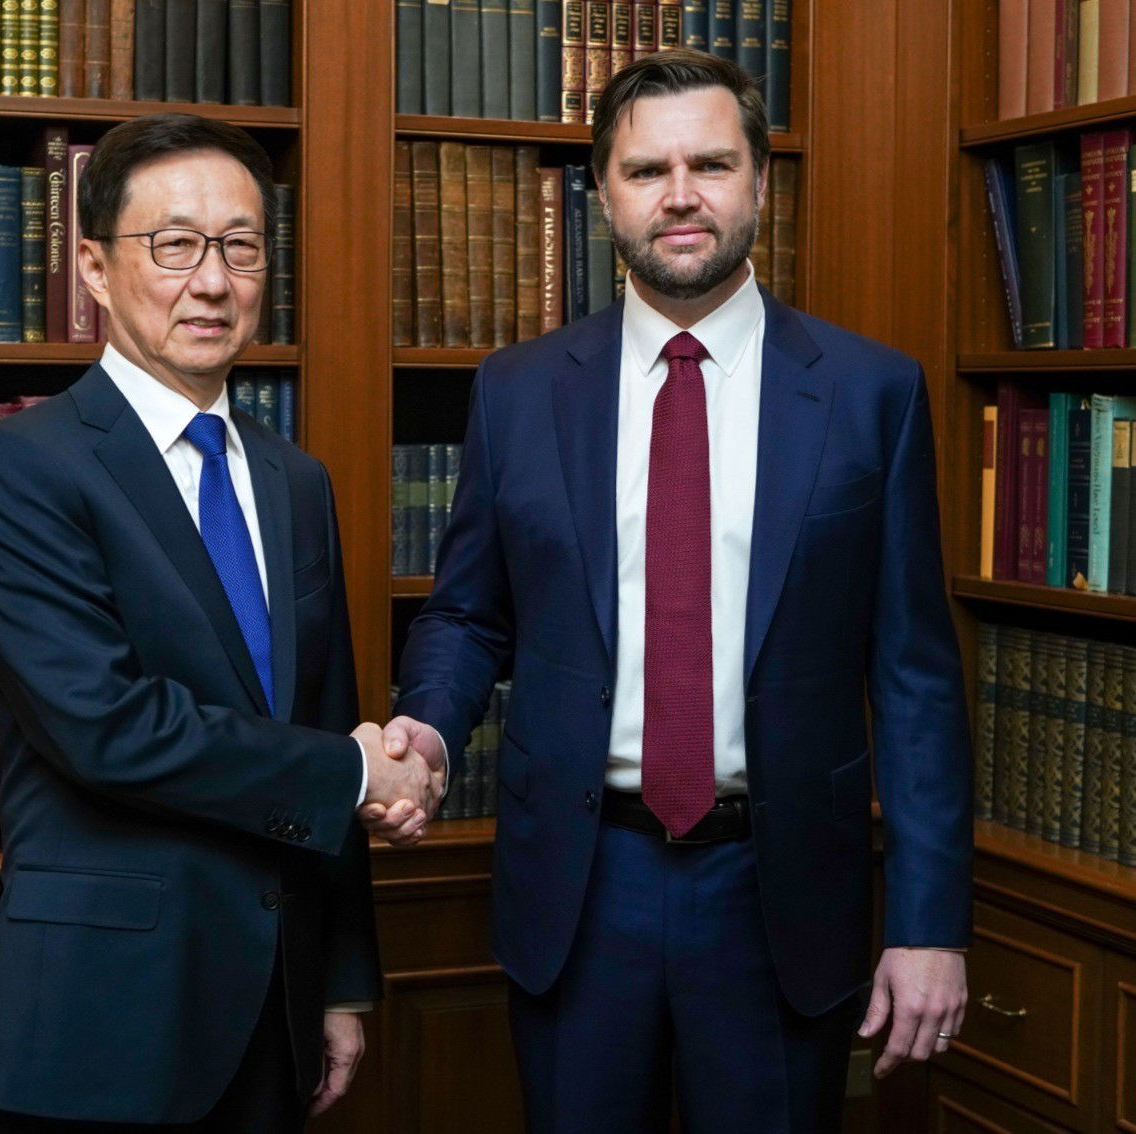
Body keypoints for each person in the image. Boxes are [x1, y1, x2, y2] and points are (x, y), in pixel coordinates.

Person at [365, 49, 972, 1132]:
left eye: (709, 164)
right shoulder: (517, 391)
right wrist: (428, 727)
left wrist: (928, 923)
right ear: (602, 193)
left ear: (757, 183)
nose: (680, 196)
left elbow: (914, 675)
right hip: (580, 885)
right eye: (646, 171)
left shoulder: (869, 394)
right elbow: (466, 611)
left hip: (779, 893)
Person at [0, 113, 442, 1133]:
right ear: (93, 267)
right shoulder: (19, 471)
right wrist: (357, 774)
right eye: (172, 245)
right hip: (106, 1016)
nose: (211, 282)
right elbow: (105, 727)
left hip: (278, 1002)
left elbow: (327, 711)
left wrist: (344, 977)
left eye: (241, 245)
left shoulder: (292, 480)